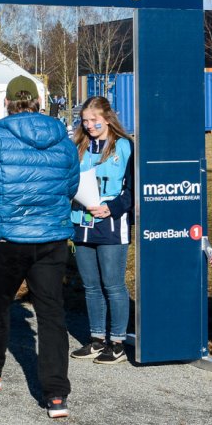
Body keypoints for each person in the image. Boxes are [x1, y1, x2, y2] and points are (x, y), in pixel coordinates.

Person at [0, 75, 80, 419]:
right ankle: (56, 394)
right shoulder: (63, 138)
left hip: (8, 237)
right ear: (39, 102)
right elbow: (70, 185)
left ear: (8, 103)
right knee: (52, 313)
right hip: (51, 237)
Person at [70, 96, 135, 365]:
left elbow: (133, 190)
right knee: (91, 285)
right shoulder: (78, 146)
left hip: (111, 224)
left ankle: (117, 342)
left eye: (94, 120)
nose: (88, 125)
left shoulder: (125, 146)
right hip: (81, 221)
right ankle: (97, 339)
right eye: (84, 121)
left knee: (113, 284)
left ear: (107, 119)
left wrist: (112, 208)